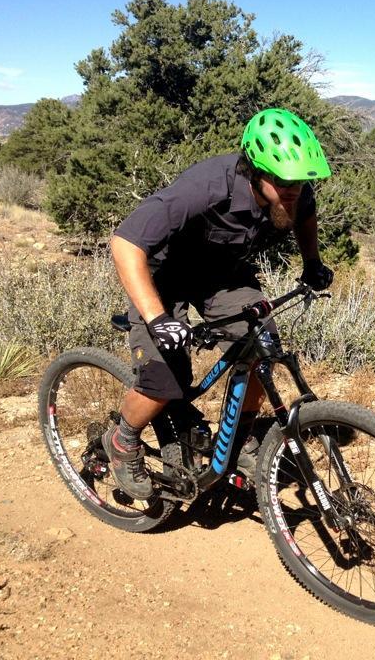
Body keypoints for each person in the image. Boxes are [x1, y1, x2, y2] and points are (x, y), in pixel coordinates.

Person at [103, 108, 335, 500]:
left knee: (262, 350)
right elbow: (125, 242)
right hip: (164, 276)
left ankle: (240, 441)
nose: (293, 188)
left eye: (300, 180)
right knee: (165, 380)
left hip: (222, 275)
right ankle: (123, 440)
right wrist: (157, 318)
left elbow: (305, 216)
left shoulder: (292, 190)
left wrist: (312, 262)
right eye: (282, 181)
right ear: (255, 171)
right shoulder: (206, 187)